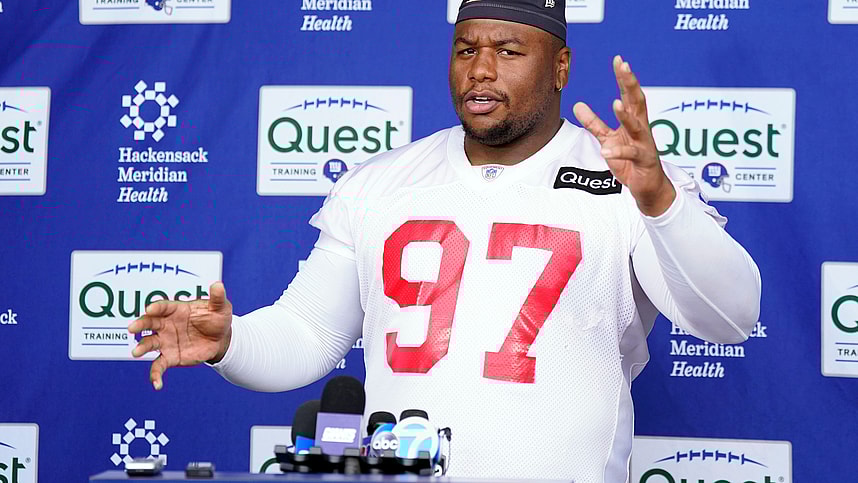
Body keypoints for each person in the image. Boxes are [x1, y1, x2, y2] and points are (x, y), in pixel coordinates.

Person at [128, 0, 761, 481]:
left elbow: (732, 317)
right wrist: (230, 343)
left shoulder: (628, 178)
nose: (481, 71)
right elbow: (308, 335)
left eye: (509, 51)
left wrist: (659, 201)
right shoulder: (379, 183)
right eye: (466, 50)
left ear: (560, 66)